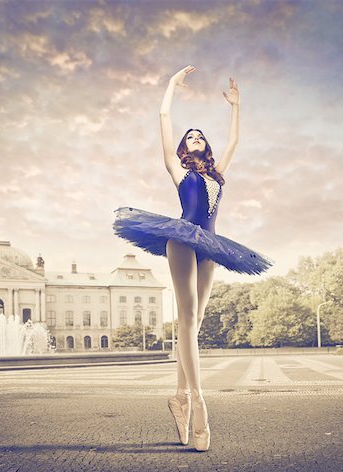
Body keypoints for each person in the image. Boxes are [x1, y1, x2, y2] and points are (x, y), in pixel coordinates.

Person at [113, 66, 273, 451]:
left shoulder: (218, 174)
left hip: (213, 245)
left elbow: (236, 140)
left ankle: (178, 395)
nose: (196, 138)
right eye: (191, 137)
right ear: (185, 149)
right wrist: (170, 86)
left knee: (197, 320)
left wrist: (237, 105)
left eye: (201, 136)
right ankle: (198, 401)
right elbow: (165, 120)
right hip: (183, 238)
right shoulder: (178, 171)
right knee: (187, 318)